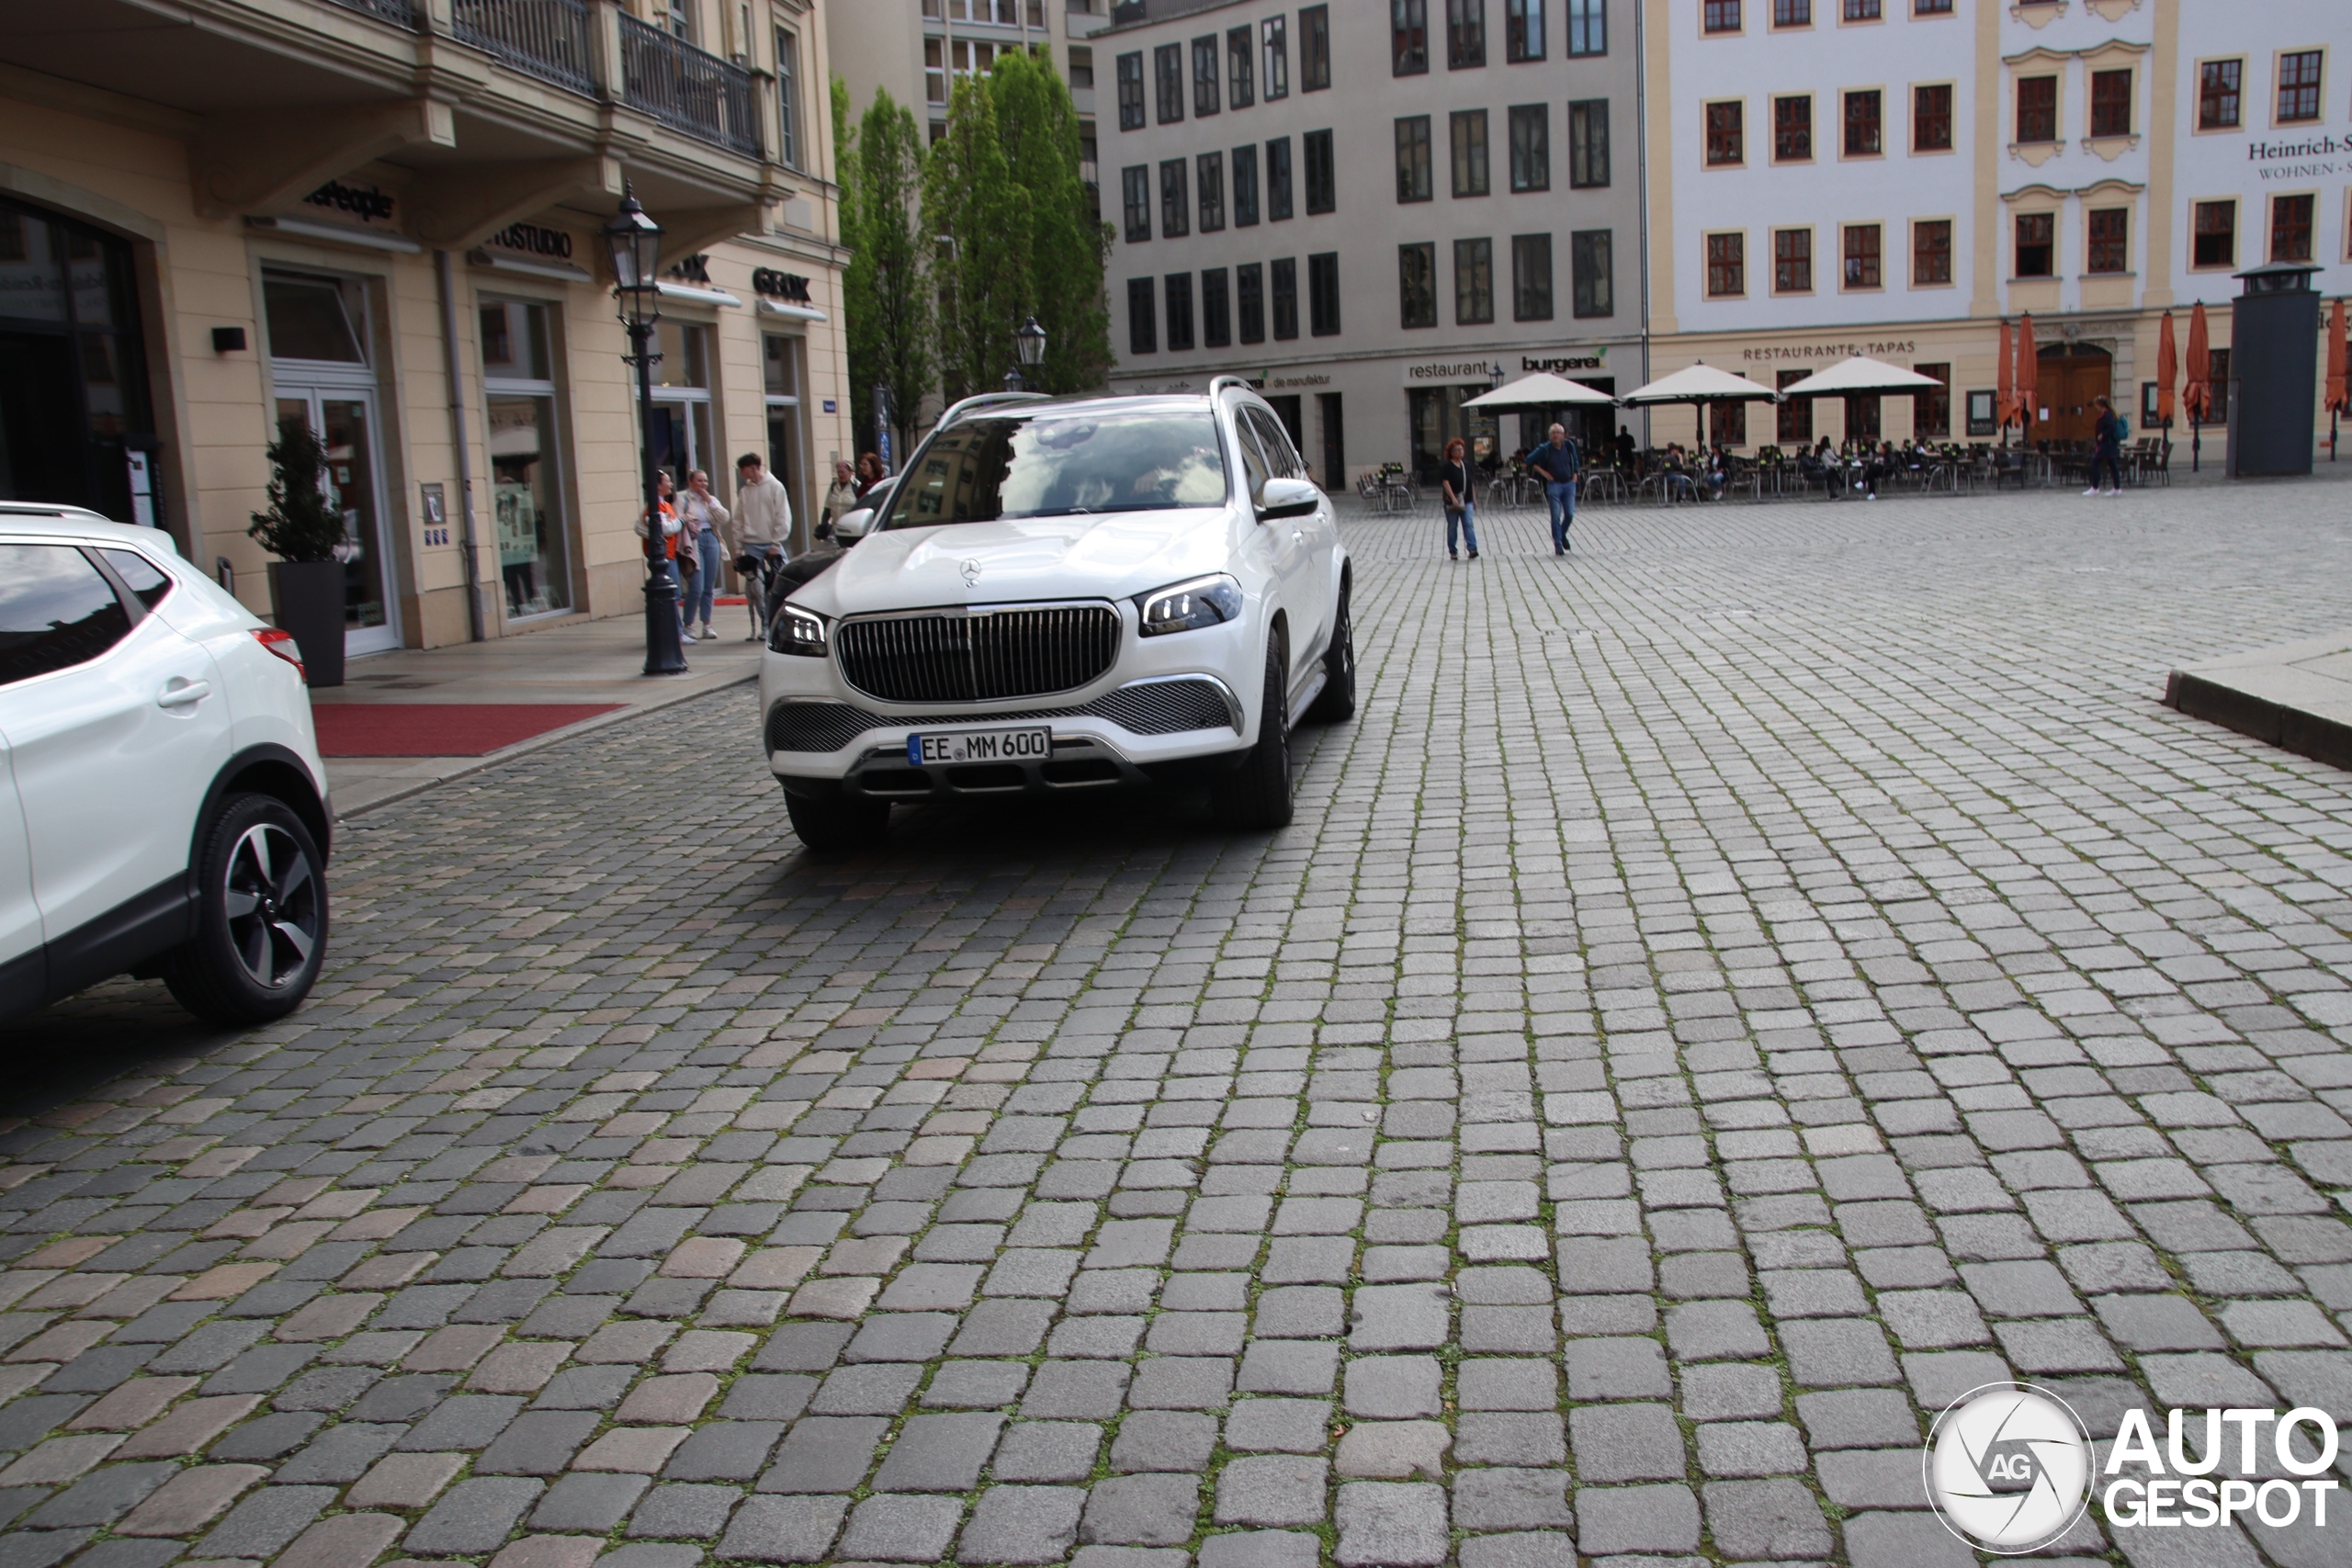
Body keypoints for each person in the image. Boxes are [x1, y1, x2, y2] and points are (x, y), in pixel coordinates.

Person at [731, 452, 795, 640]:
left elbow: (782, 517)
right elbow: (738, 520)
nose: (742, 475)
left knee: (781, 585)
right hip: (752, 545)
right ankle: (765, 627)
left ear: (752, 467)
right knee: (756, 592)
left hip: (771, 544)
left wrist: (776, 543)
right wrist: (737, 548)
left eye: (743, 470)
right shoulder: (745, 492)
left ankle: (782, 624)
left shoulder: (775, 487)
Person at [673, 469, 729, 640]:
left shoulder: (710, 500)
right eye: (699, 481)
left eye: (705, 481)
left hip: (711, 538)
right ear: (691, 482)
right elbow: (677, 517)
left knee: (709, 586)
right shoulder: (682, 498)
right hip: (693, 541)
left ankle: (707, 624)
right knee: (696, 586)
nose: (703, 484)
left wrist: (710, 502)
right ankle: (688, 624)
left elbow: (724, 517)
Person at [1527, 422, 1581, 555]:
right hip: (1554, 485)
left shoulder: (1569, 445)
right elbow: (1529, 460)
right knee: (1555, 515)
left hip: (1569, 483)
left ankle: (1561, 535)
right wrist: (1543, 472)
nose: (1556, 435)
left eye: (1558, 433)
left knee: (1569, 513)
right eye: (1553, 433)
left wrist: (1575, 475)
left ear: (1563, 435)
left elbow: (1575, 460)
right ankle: (1558, 543)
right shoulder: (1544, 448)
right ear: (1549, 436)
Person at [633, 468, 684, 604]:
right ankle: (673, 626)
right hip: (662, 555)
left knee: (674, 593)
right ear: (658, 486)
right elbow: (665, 529)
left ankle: (675, 626)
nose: (671, 484)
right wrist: (682, 521)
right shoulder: (653, 508)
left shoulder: (666, 505)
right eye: (667, 481)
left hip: (670, 553)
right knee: (671, 594)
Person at [1438, 437, 1481, 562]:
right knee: (1452, 526)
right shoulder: (1448, 466)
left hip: (1466, 499)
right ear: (1452, 452)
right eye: (1458, 450)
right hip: (1452, 500)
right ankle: (1453, 550)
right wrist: (1452, 498)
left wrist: (1474, 498)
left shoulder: (1466, 465)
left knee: (1468, 523)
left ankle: (1472, 548)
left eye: (1462, 449)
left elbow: (1471, 482)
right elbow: (1446, 483)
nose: (1461, 452)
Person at [2087, 396, 2124, 496]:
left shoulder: (2107, 415)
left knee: (2095, 463)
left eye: (2096, 405)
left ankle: (2095, 487)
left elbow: (2112, 427)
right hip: (2109, 444)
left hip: (2107, 444)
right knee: (2112, 466)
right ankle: (2117, 488)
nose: (2096, 407)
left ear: (2100, 405)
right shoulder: (2108, 414)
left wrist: (2103, 435)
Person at [820, 458, 859, 540]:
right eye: (838, 472)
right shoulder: (833, 486)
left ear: (850, 472)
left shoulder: (857, 486)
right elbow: (827, 508)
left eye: (843, 472)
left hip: (851, 530)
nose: (840, 475)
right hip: (835, 529)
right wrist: (823, 526)